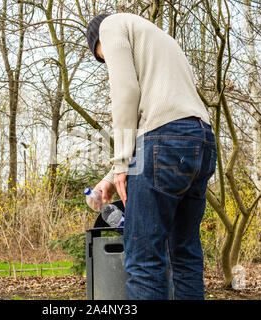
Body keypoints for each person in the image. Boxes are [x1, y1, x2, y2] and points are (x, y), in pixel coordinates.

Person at [86, 12, 217, 300]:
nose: (108, 62)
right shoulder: (160, 39)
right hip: (201, 141)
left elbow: (126, 92)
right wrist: (111, 177)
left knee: (145, 259)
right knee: (184, 255)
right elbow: (162, 118)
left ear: (98, 40)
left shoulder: (110, 26)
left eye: (103, 56)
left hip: (164, 144)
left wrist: (121, 163)